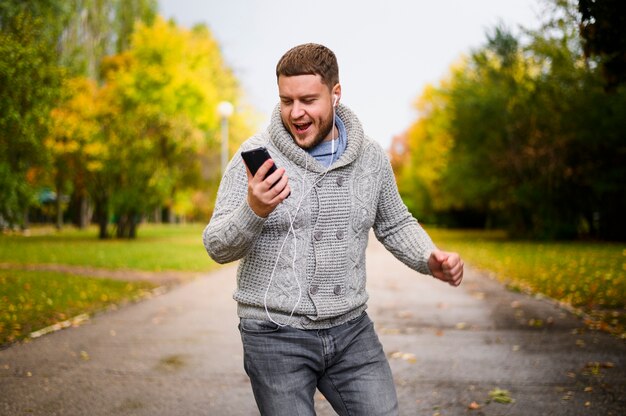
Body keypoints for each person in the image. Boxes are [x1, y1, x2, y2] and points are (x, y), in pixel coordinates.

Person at [203, 43, 464, 416]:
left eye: (308, 100)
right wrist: (254, 209)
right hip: (274, 334)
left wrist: (428, 257)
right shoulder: (254, 156)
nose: (296, 113)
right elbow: (216, 246)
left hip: (350, 330)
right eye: (286, 100)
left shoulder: (370, 157)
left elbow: (395, 222)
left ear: (335, 93)